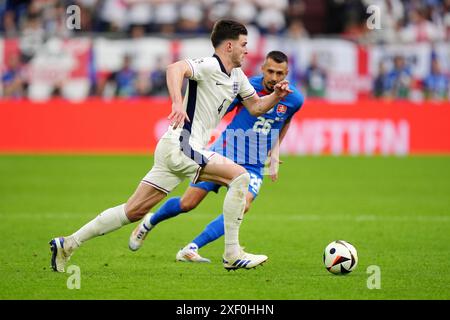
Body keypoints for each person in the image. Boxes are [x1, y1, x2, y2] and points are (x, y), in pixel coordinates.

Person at [49, 20, 292, 272]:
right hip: (182, 145)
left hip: (174, 148)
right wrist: (177, 102)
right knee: (241, 178)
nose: (247, 50)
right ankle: (232, 254)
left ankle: (68, 243)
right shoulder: (210, 65)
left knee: (133, 211)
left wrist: (277, 95)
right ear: (229, 45)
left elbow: (256, 107)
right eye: (243, 45)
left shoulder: (238, 77)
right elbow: (175, 68)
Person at [128, 51, 304, 263]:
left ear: (287, 73)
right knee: (187, 203)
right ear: (262, 69)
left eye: (279, 73)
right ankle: (149, 222)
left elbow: (284, 121)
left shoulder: (295, 99)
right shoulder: (246, 86)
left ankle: (192, 247)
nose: (274, 77)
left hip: (255, 165)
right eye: (270, 71)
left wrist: (274, 153)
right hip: (224, 152)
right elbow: (216, 108)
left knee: (243, 205)